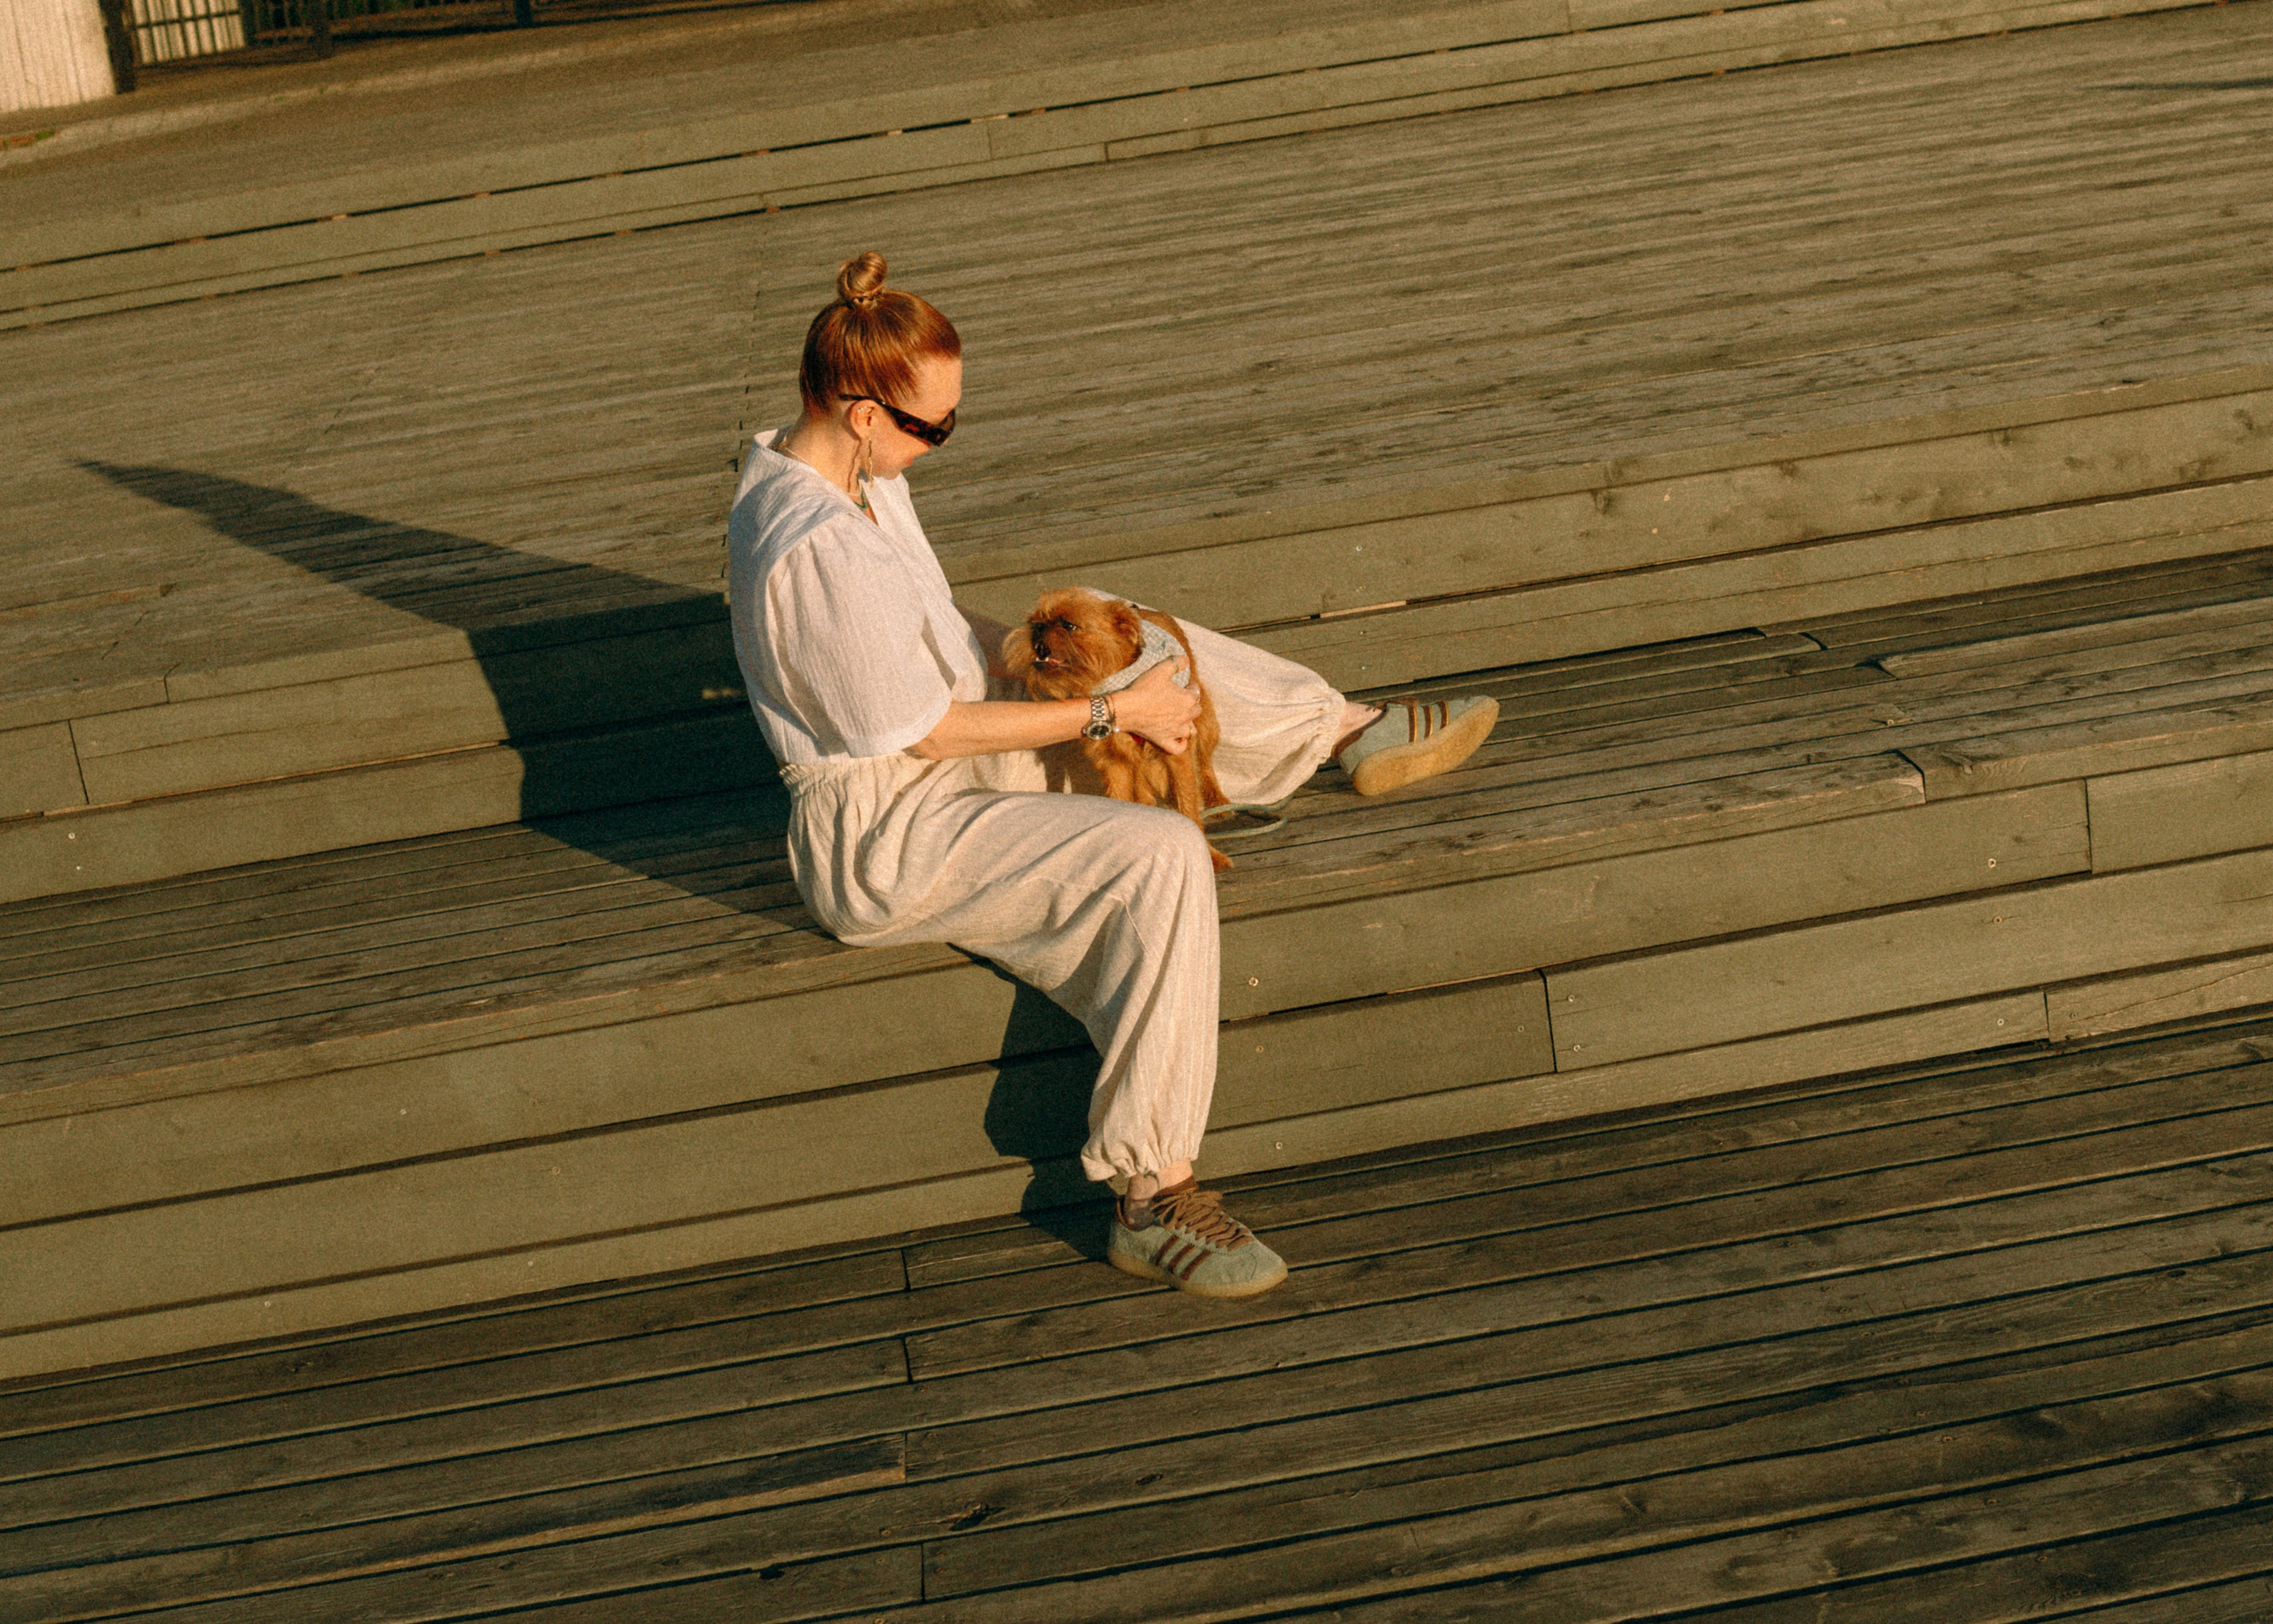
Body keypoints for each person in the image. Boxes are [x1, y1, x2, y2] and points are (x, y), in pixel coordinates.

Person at [726, 252, 1498, 1299]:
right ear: (861, 409)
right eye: (930, 429)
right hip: (886, 836)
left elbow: (935, 632)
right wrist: (1106, 710)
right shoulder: (809, 542)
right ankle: (1149, 1193)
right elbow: (924, 734)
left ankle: (1336, 731)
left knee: (1128, 634)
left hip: (945, 758)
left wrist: (1081, 659)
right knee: (1164, 855)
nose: (939, 445)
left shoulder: (852, 476)